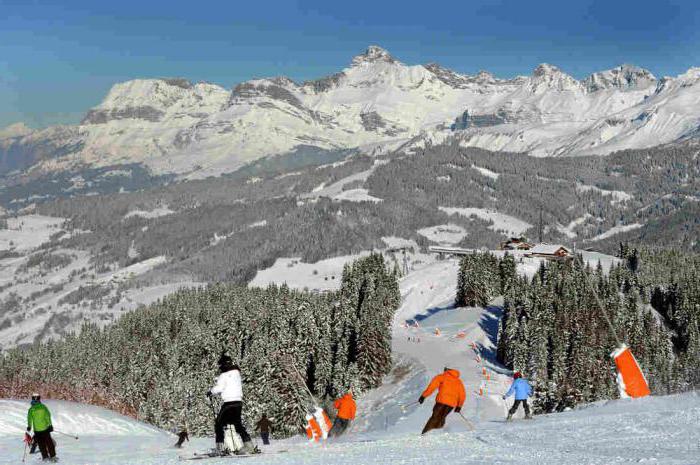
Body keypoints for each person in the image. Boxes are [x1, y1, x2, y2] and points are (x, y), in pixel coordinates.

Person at [207, 354, 255, 455]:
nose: (220, 368)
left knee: (219, 424)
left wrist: (211, 391)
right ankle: (249, 445)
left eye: (220, 366)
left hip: (229, 403)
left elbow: (219, 388)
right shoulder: (237, 373)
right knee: (237, 424)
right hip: (238, 402)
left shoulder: (224, 375)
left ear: (224, 365)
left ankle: (220, 448)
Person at [419, 367, 466, 434]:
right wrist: (459, 406)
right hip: (451, 405)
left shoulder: (441, 377)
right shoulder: (459, 382)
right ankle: (436, 434)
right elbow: (462, 395)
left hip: (441, 401)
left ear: (447, 370)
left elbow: (432, 387)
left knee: (434, 417)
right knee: (442, 417)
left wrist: (423, 396)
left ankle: (425, 433)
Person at [27, 393, 58, 462]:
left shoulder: (31, 409)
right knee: (49, 443)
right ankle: (53, 456)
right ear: (39, 399)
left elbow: (29, 419)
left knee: (41, 444)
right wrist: (50, 425)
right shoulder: (43, 407)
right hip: (45, 429)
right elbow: (47, 417)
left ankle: (45, 457)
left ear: (32, 399)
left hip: (37, 430)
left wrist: (29, 426)